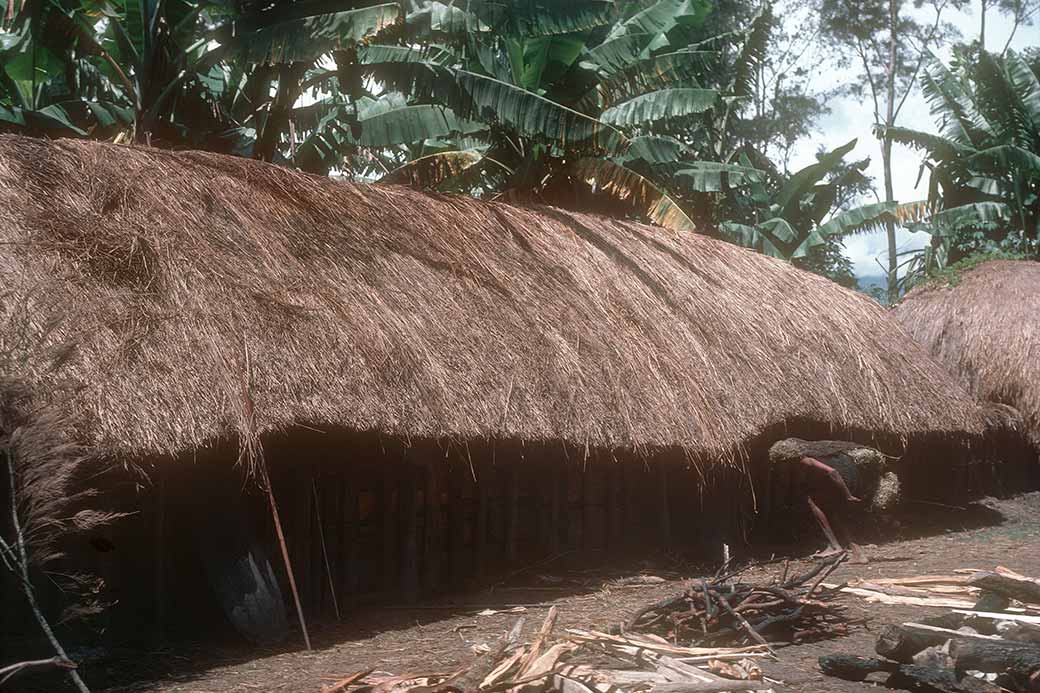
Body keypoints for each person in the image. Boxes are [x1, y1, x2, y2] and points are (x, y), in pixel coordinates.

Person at [782, 455, 868, 563]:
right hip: (827, 488)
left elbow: (832, 472)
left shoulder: (805, 461)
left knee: (831, 514)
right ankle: (837, 547)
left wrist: (847, 494)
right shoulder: (798, 464)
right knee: (830, 514)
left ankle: (840, 548)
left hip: (835, 486)